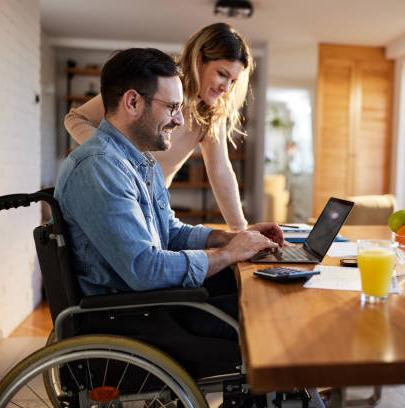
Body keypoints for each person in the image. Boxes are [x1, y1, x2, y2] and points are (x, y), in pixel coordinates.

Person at [54, 47, 283, 378]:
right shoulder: (101, 168)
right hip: (132, 319)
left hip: (149, 305)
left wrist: (233, 237)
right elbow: (145, 268)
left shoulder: (140, 161)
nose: (179, 121)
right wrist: (228, 254)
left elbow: (171, 233)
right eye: (173, 108)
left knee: (258, 293)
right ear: (132, 103)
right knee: (265, 317)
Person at [65, 22, 252, 231]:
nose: (226, 88)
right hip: (108, 199)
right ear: (199, 59)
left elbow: (220, 171)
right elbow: (75, 118)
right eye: (222, 74)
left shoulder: (209, 114)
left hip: (148, 208)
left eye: (233, 81)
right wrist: (120, 160)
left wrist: (240, 230)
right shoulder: (154, 81)